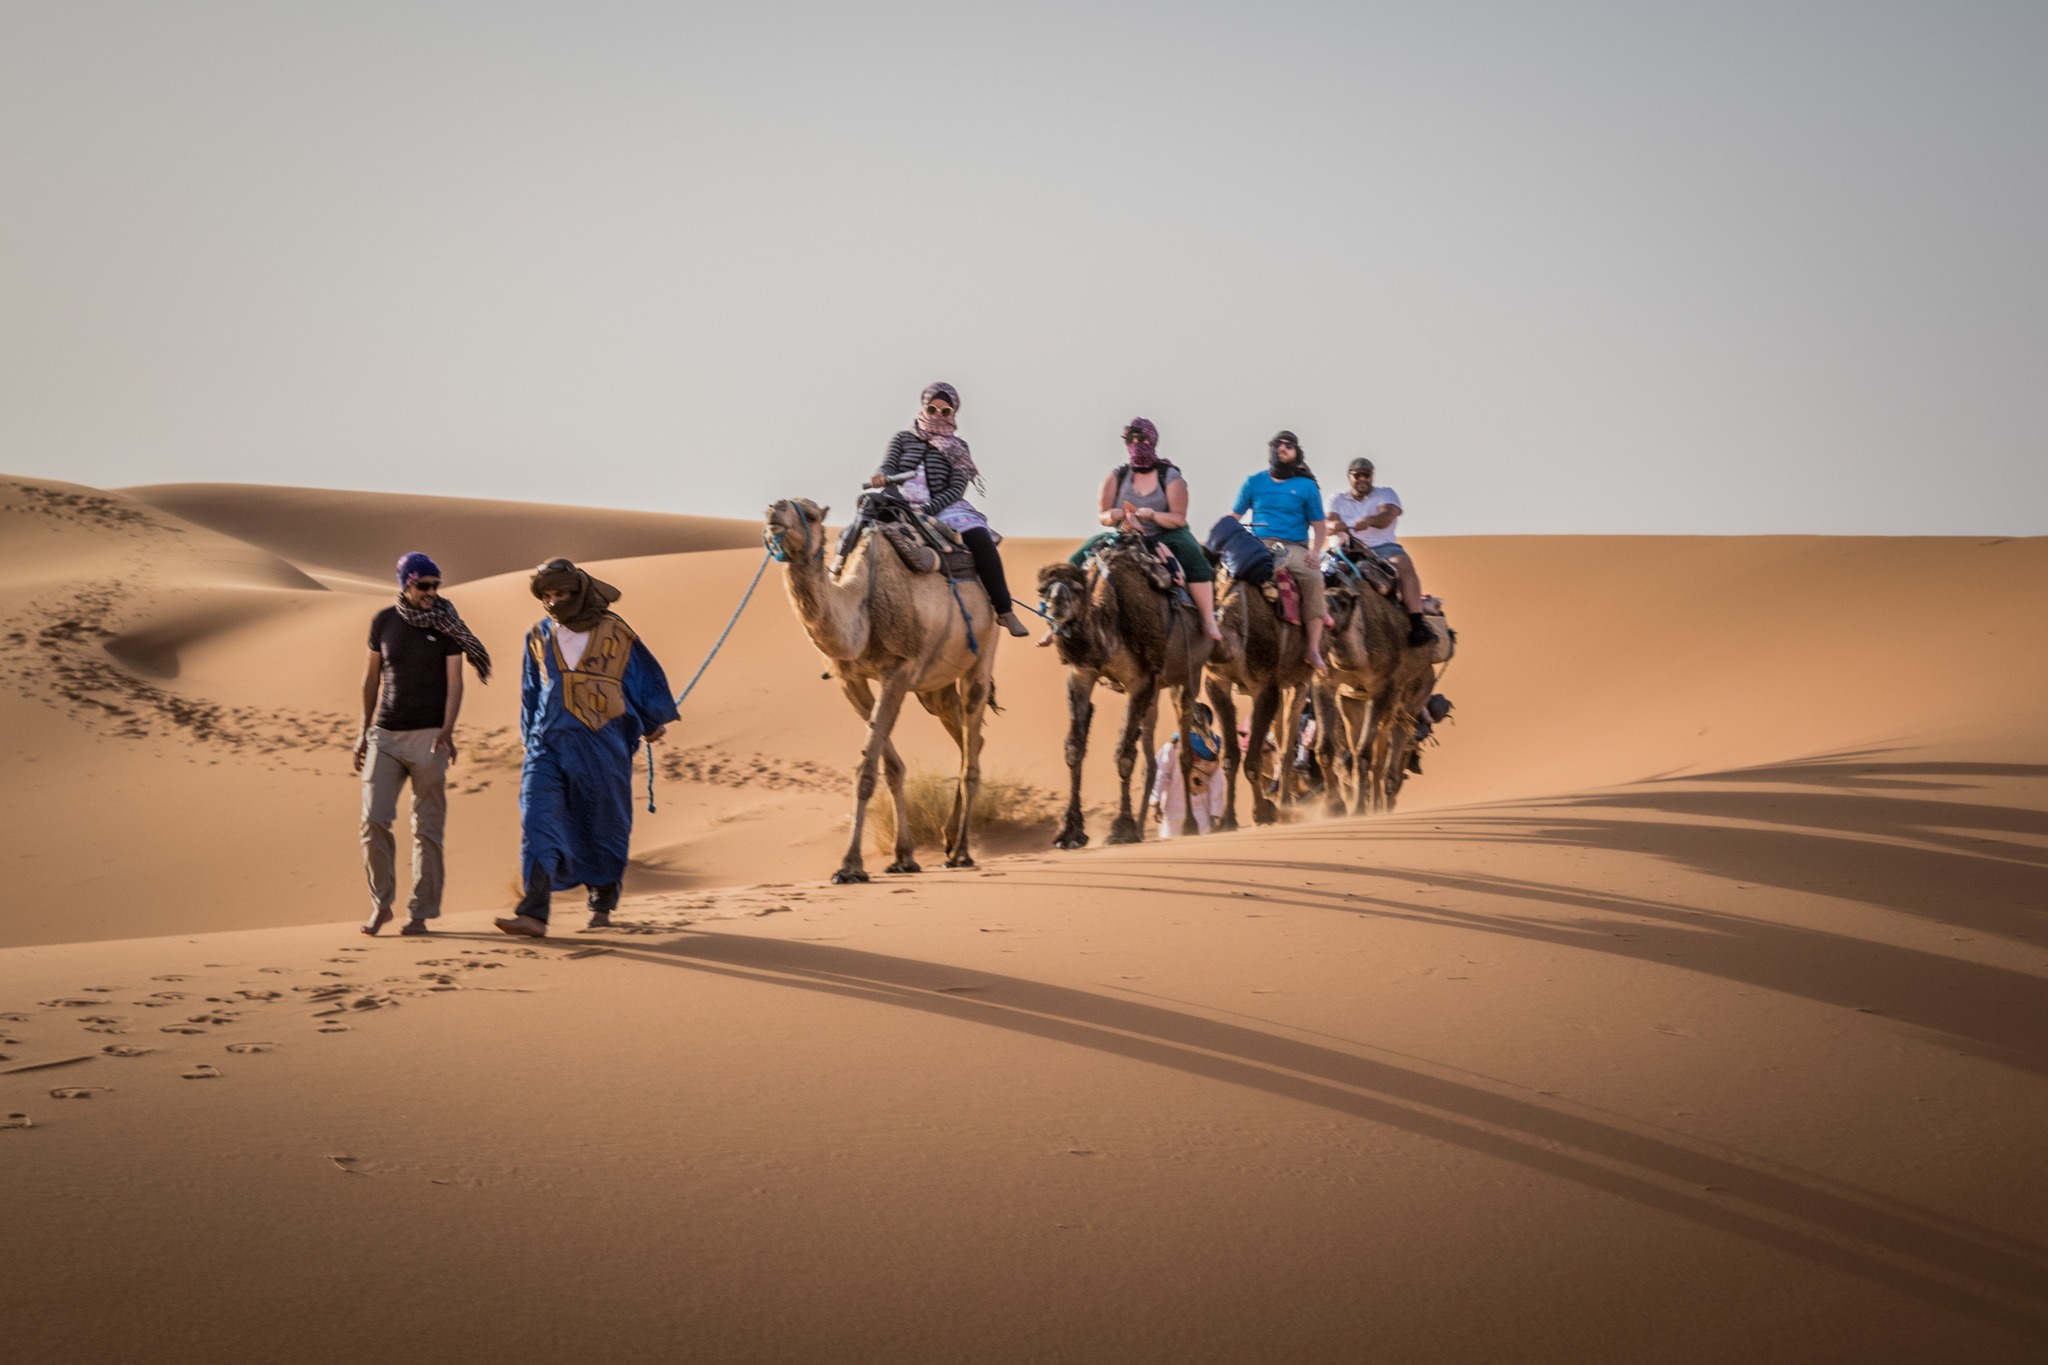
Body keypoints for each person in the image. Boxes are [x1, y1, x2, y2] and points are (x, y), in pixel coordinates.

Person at [495, 559, 679, 938]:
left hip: (601, 743)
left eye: (560, 594)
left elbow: (642, 678)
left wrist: (651, 721)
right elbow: (531, 692)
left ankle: (601, 903)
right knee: (537, 819)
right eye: (546, 596)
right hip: (546, 745)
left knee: (603, 822)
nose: (552, 602)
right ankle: (534, 912)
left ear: (577, 592)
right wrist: (529, 740)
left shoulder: (616, 632)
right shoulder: (538, 635)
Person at [354, 552, 492, 937]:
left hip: (429, 737)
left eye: (436, 585)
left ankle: (420, 912)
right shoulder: (383, 622)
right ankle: (381, 905)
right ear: (405, 584)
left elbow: (456, 682)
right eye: (423, 585)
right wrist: (362, 732)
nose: (432, 592)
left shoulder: (447, 625)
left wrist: (447, 730)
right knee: (373, 820)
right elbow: (370, 680)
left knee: (427, 829)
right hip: (385, 735)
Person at [869, 382, 1029, 637]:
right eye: (932, 409)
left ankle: (1004, 610)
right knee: (861, 530)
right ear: (924, 408)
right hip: (898, 503)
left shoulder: (959, 448)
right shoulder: (903, 438)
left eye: (945, 411)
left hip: (944, 507)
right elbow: (888, 466)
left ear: (953, 414)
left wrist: (929, 508)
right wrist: (881, 476)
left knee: (979, 537)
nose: (937, 415)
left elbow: (956, 488)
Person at [1053, 417, 1221, 642]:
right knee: (1077, 558)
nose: (1136, 443)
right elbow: (1102, 514)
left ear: (1152, 440)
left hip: (1165, 534)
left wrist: (1153, 515)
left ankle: (1208, 619)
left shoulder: (1170, 477)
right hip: (1126, 534)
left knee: (1193, 555)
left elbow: (1179, 518)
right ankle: (1059, 618)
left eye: (1141, 438)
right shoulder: (1117, 476)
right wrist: (1113, 516)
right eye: (1131, 439)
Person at [1232, 431, 1328, 670]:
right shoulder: (1253, 482)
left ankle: (1313, 649)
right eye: (1278, 444)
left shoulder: (1306, 487)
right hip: (1258, 543)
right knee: (1223, 573)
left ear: (1297, 453)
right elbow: (1234, 517)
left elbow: (1319, 526)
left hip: (1293, 547)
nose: (1282, 448)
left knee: (1314, 577)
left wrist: (1315, 552)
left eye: (1289, 445)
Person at [1328, 457, 1435, 647]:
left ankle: (1417, 623)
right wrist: (1334, 525)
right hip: (1346, 549)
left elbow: (1387, 515)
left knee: (1403, 564)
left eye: (1366, 475)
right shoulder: (1337, 499)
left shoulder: (1385, 494)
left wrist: (1369, 521)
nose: (1362, 479)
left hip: (1381, 549)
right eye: (1357, 475)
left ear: (1372, 477)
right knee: (1315, 572)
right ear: (1349, 477)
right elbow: (1328, 522)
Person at [1151, 703, 1227, 837]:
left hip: (1171, 815)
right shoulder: (1214, 751)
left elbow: (1160, 775)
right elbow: (1217, 785)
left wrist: (1155, 802)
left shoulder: (1172, 746)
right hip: (1201, 817)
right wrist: (1214, 814)